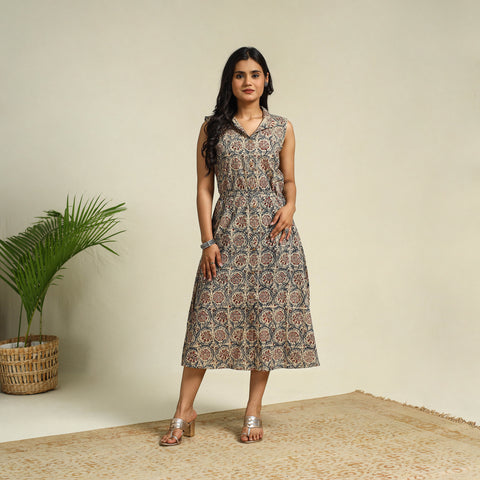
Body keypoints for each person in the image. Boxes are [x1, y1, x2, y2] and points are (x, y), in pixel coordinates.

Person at [160, 46, 320, 447]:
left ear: (266, 80)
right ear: (230, 82)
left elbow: (289, 180)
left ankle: (253, 410)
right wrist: (207, 241)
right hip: (227, 232)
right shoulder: (212, 128)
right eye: (239, 74)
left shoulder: (282, 127)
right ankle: (184, 410)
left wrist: (291, 205)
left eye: (255, 74)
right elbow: (204, 188)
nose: (248, 81)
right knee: (205, 319)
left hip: (273, 236)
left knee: (264, 321)